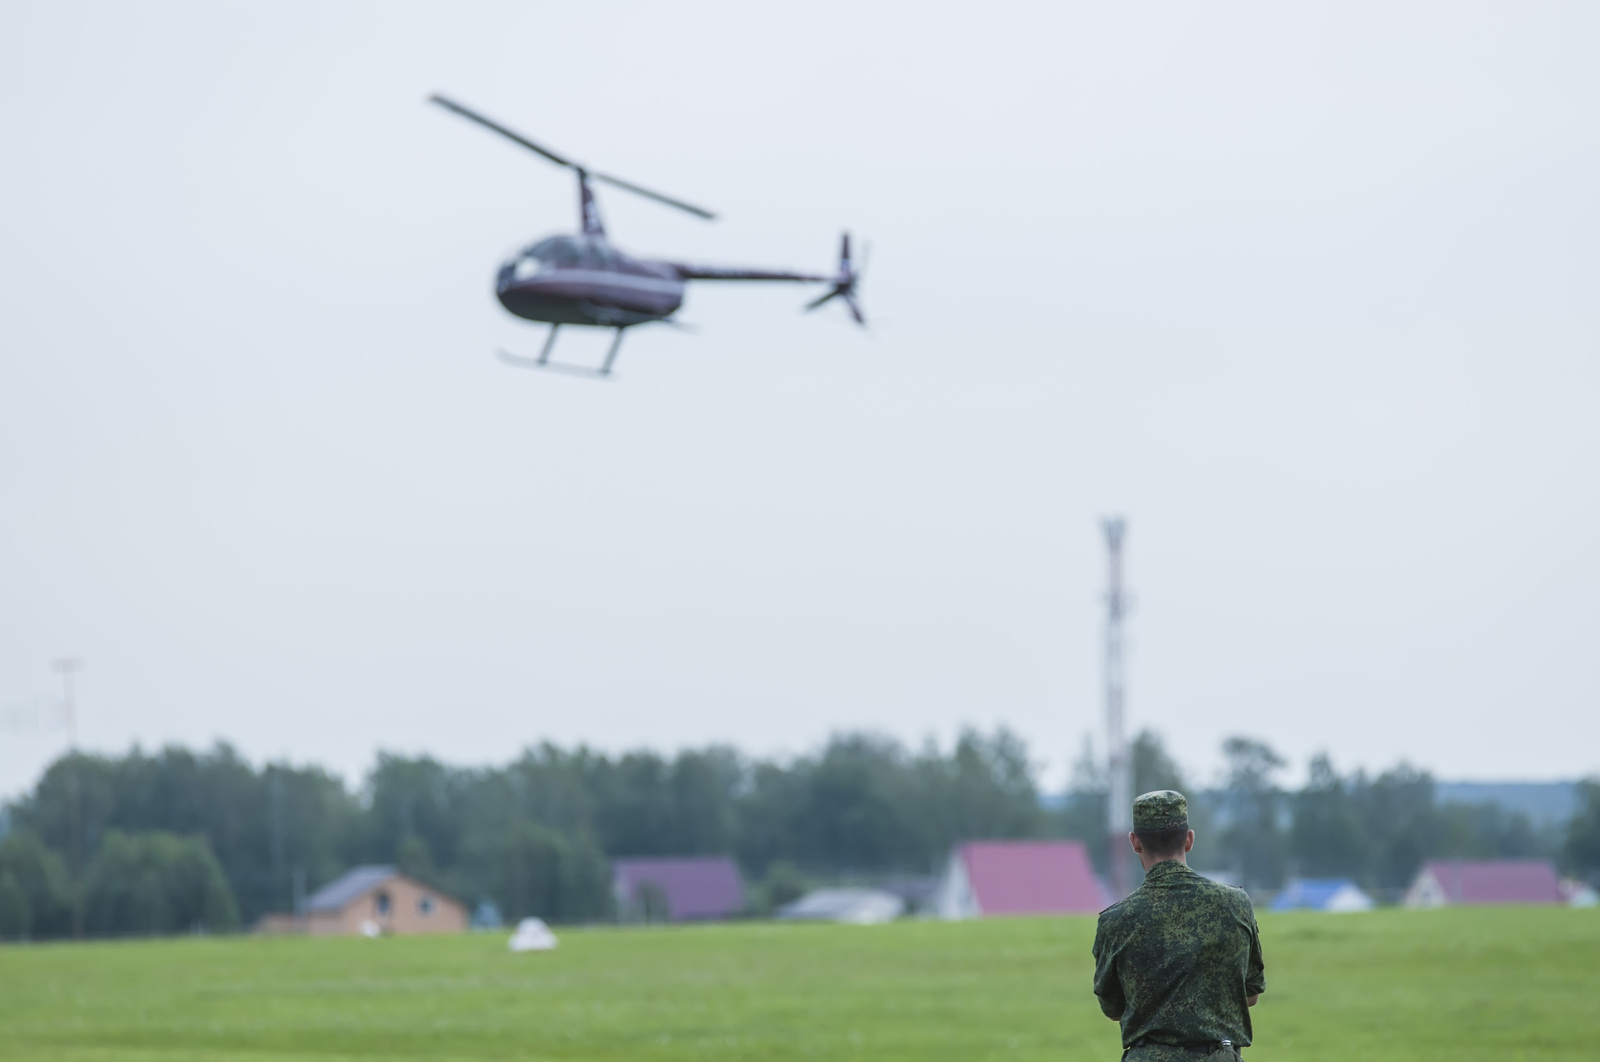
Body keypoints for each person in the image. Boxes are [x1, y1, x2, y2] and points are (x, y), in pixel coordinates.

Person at [1092, 790, 1265, 1061]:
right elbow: (1251, 993)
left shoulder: (1115, 921)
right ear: (1189, 839)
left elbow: (1114, 1009)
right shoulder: (1235, 904)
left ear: (1135, 842)